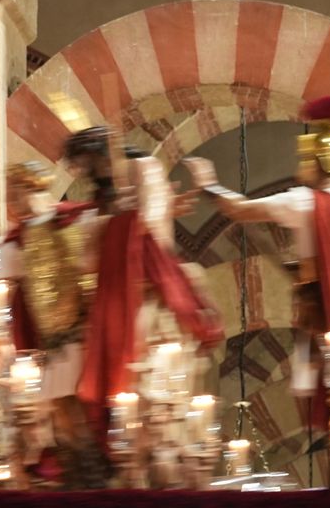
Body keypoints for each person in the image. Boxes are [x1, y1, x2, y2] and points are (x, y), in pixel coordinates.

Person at [187, 96, 330, 467]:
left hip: (327, 327)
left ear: (316, 158)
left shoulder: (307, 202)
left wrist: (208, 185)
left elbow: (238, 209)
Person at [51, 113, 223, 463]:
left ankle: (164, 452)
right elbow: (85, 260)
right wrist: (103, 221)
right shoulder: (103, 199)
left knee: (153, 391)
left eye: (89, 163)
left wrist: (122, 216)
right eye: (82, 168)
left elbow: (150, 223)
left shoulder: (143, 168)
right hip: (115, 299)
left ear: (102, 152)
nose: (88, 173)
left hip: (153, 295)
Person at [0, 160, 106, 487]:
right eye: (8, 195)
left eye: (14, 192)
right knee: (62, 418)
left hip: (82, 334)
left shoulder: (75, 219)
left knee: (83, 414)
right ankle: (78, 477)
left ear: (33, 186)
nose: (10, 202)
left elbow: (94, 264)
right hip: (51, 343)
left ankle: (93, 476)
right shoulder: (16, 242)